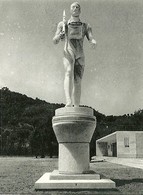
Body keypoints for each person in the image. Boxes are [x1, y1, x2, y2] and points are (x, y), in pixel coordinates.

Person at [53, 2, 96, 107]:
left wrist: (93, 41)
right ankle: (68, 100)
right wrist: (60, 36)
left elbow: (90, 37)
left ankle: (76, 104)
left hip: (80, 53)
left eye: (78, 7)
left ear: (80, 11)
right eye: (73, 7)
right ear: (70, 10)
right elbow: (55, 40)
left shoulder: (86, 26)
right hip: (69, 50)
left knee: (78, 78)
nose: (75, 8)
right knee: (68, 72)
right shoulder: (63, 24)